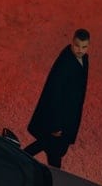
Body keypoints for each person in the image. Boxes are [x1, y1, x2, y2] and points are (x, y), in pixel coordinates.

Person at [24, 28, 90, 169]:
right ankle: (56, 178)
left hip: (67, 115)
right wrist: (56, 125)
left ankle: (20, 158)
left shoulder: (84, 59)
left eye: (84, 47)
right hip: (59, 118)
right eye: (77, 45)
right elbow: (54, 94)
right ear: (72, 42)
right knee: (54, 152)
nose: (80, 50)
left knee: (45, 143)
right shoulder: (65, 63)